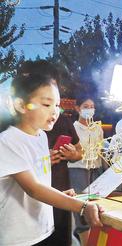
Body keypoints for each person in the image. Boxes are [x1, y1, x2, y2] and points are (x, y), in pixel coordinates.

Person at [0, 73, 103, 246]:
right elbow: (34, 189)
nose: (55, 111)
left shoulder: (41, 136)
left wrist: (60, 195)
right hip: (19, 238)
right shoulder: (8, 140)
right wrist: (82, 206)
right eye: (46, 104)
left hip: (43, 230)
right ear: (20, 105)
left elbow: (40, 183)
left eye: (57, 105)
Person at [18, 59, 83, 246]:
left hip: (61, 196)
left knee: (61, 240)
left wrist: (73, 155)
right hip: (26, 208)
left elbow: (80, 152)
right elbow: (30, 186)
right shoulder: (10, 127)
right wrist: (41, 158)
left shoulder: (62, 120)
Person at [68, 94, 104, 246]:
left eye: (92, 107)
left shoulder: (98, 128)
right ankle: (85, 241)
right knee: (80, 206)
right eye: (86, 107)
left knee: (96, 204)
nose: (90, 110)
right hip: (78, 170)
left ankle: (97, 237)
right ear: (77, 108)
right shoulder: (74, 128)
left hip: (95, 170)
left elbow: (101, 150)